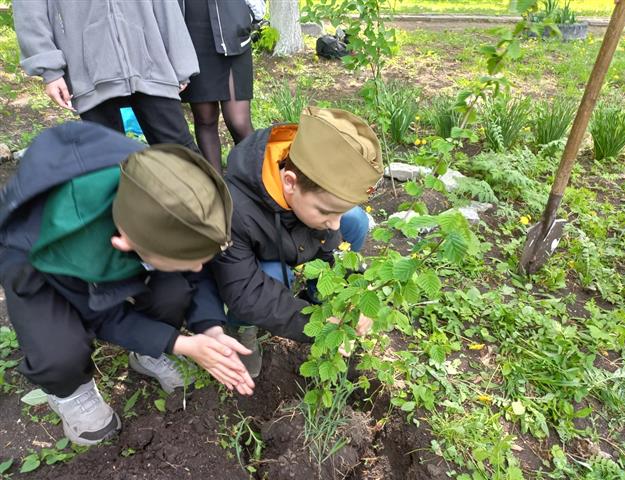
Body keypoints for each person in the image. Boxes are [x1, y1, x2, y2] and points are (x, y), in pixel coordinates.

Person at [0, 121, 254, 446]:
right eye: (186, 258)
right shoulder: (67, 246)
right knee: (58, 352)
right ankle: (70, 391)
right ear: (125, 243)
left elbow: (197, 265)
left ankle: (147, 352)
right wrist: (183, 345)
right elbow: (101, 316)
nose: (197, 266)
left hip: (122, 233)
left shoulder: (162, 191)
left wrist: (210, 327)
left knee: (176, 288)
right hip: (37, 261)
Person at [211, 107, 383, 377]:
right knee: (272, 277)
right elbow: (244, 290)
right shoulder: (232, 211)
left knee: (355, 221)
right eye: (326, 211)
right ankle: (241, 328)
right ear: (289, 183)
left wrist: (358, 292)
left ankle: (320, 297)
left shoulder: (312, 185)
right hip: (257, 261)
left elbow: (336, 244)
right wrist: (314, 324)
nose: (334, 223)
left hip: (295, 236)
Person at [12, 1, 200, 150]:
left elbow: (166, 5)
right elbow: (30, 11)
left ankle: (204, 199)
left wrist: (180, 60)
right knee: (106, 162)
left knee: (180, 152)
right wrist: (50, 71)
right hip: (88, 70)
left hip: (151, 64)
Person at [180, 0, 260, 173]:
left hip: (232, 29)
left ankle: (260, 185)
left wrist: (252, 12)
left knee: (239, 122)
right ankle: (218, 190)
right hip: (192, 31)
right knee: (205, 118)